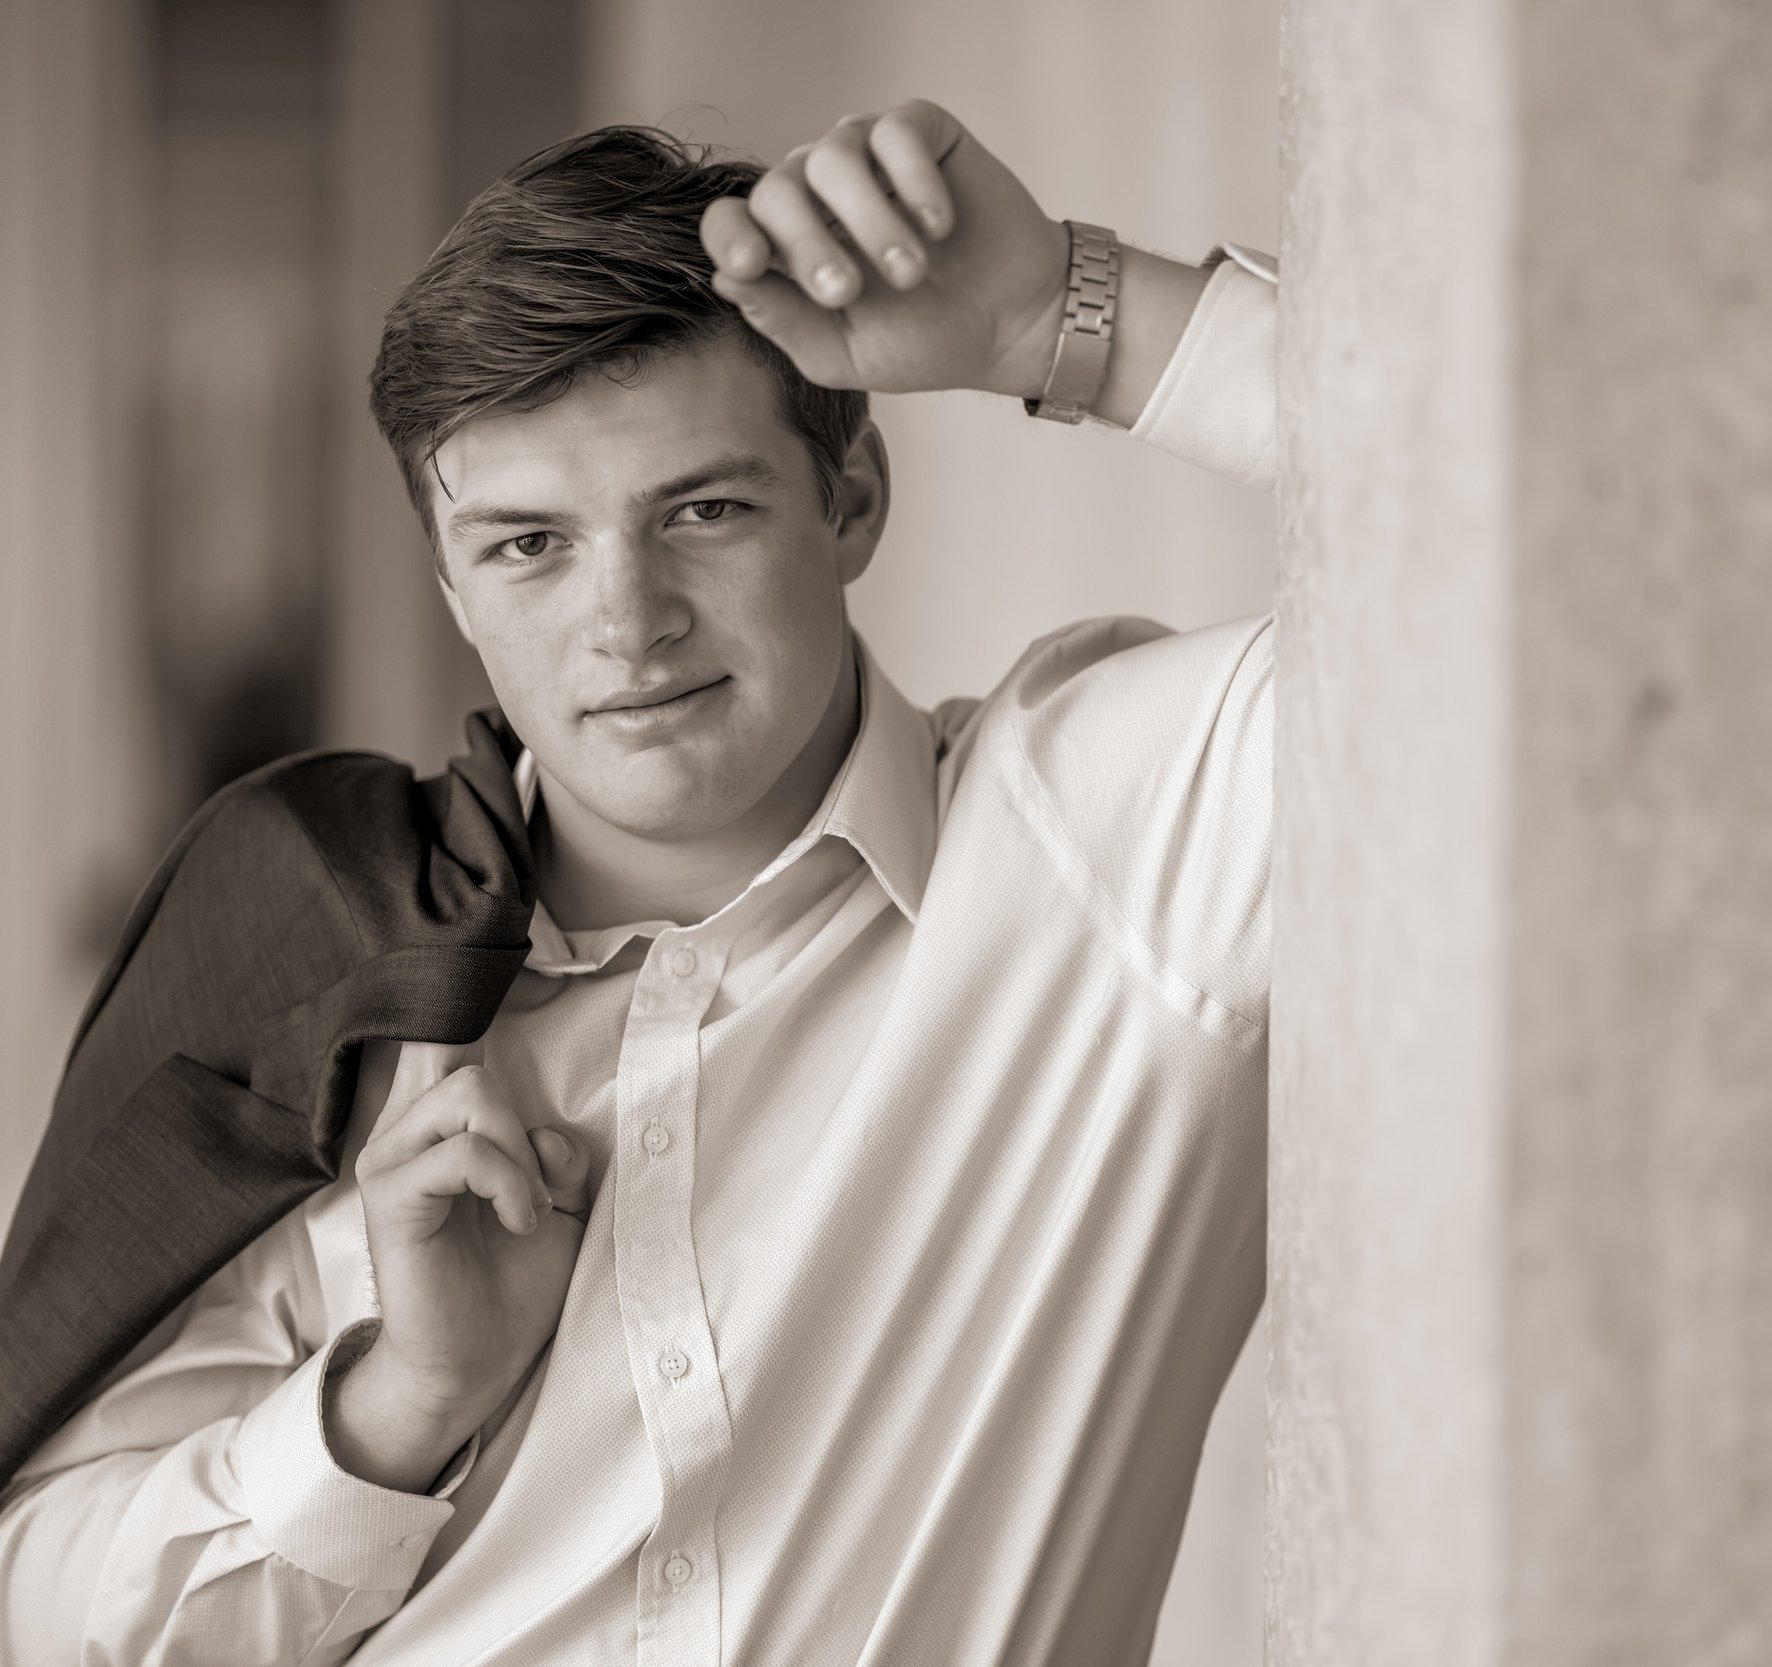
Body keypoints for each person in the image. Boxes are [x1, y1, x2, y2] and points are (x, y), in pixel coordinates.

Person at [0, 97, 1276, 1665]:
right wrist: (405, 1401)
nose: (629, 621)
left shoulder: (1116, 847)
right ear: (454, 586)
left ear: (852, 503)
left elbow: (1568, 547)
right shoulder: (325, 967)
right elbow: (46, 1621)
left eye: (705, 510)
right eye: (531, 545)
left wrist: (1052, 317)